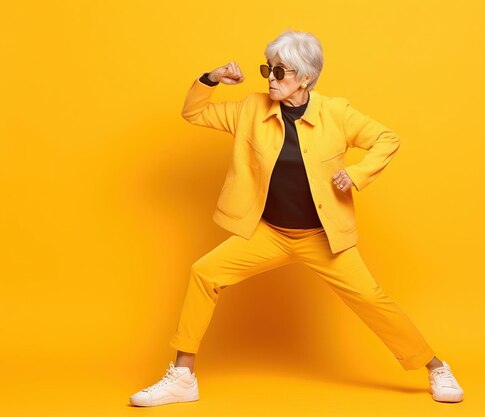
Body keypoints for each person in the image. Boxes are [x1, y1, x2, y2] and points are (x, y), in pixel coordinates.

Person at [129, 29, 464, 407]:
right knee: (204, 273)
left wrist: (356, 174)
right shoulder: (250, 109)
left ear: (305, 77)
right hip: (269, 234)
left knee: (374, 300)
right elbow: (193, 112)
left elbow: (387, 138)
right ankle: (183, 377)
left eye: (280, 72)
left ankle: (434, 366)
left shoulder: (336, 113)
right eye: (267, 69)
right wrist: (211, 79)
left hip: (323, 239)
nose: (270, 78)